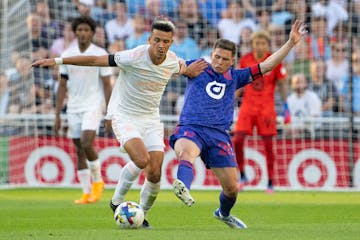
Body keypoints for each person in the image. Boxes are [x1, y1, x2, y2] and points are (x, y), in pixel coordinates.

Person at [32, 16, 207, 228]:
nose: (161, 45)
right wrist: (57, 61)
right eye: (157, 40)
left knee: (155, 173)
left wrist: (193, 69)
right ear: (150, 39)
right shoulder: (133, 56)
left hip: (151, 119)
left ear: (171, 43)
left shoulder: (172, 61)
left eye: (166, 42)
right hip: (125, 116)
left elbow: (183, 68)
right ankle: (116, 201)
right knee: (142, 160)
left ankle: (141, 215)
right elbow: (96, 60)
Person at [170, 20, 306, 228]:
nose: (218, 62)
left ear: (232, 61)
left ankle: (223, 213)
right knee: (186, 152)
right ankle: (183, 186)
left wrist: (289, 43)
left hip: (219, 135)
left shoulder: (236, 77)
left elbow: (267, 65)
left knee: (232, 188)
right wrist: (180, 67)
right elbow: (174, 65)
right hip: (192, 127)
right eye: (216, 56)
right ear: (211, 53)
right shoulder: (198, 67)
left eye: (224, 59)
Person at [57, 16, 113, 204]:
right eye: (79, 30)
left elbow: (107, 84)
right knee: (79, 149)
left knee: (87, 142)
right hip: (73, 107)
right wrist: (57, 114)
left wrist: (110, 111)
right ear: (75, 32)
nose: (82, 33)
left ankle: (98, 182)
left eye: (86, 30)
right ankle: (86, 192)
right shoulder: (68, 54)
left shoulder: (99, 54)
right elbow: (62, 85)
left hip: (93, 105)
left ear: (92, 32)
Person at [232, 29, 289, 193]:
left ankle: (270, 182)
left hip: (266, 110)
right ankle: (242, 175)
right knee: (237, 141)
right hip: (247, 108)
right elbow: (240, 84)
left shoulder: (273, 60)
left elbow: (283, 83)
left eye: (263, 43)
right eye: (257, 43)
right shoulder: (245, 60)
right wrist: (231, 101)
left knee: (269, 147)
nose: (260, 46)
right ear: (252, 44)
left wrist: (286, 107)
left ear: (267, 44)